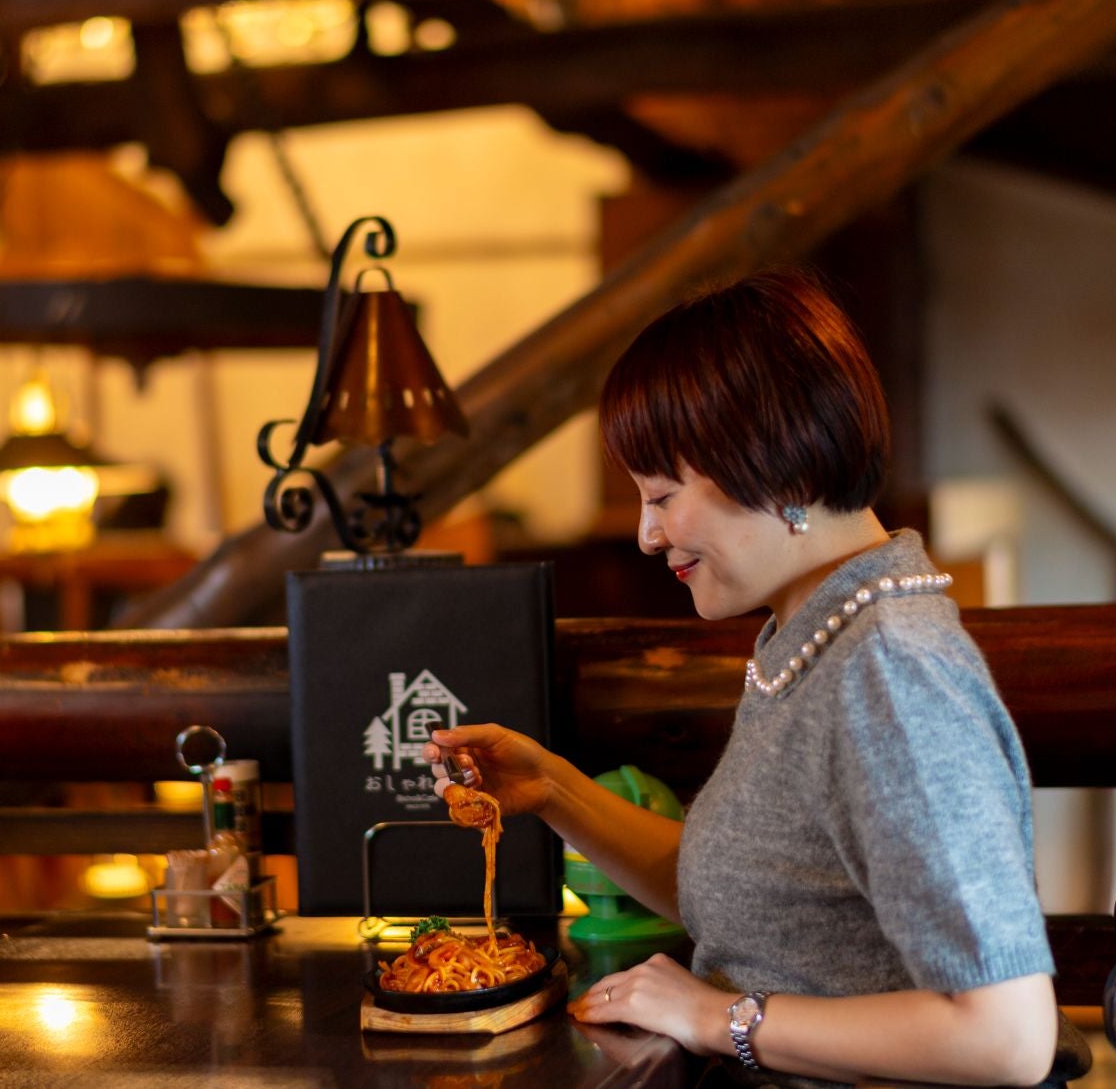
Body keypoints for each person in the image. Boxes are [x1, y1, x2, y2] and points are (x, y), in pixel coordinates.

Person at [425, 269, 1059, 1086]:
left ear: (778, 464)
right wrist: (552, 789)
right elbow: (757, 900)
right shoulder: (813, 634)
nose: (649, 536)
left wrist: (708, 1016)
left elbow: (1002, 1038)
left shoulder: (891, 673)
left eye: (661, 494)